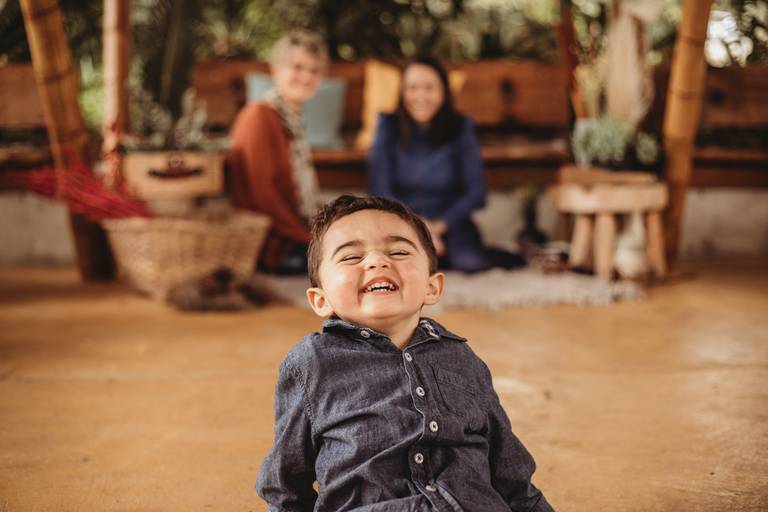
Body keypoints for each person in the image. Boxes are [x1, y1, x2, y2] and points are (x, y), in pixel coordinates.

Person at [256, 194, 554, 512]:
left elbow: (510, 472)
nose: (377, 262)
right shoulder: (313, 363)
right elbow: (285, 484)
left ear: (432, 287)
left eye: (398, 252)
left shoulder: (463, 358)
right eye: (351, 257)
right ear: (320, 300)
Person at [369, 56, 525, 273]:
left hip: (450, 222)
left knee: (470, 262)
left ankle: (518, 254)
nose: (420, 96)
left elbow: (476, 193)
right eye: (412, 88)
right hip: (400, 223)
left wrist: (438, 227)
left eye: (429, 87)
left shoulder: (461, 127)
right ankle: (431, 253)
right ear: (402, 92)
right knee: (396, 266)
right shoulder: (388, 125)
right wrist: (419, 227)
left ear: (444, 91)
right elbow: (379, 189)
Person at [226, 30, 327, 274]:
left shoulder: (291, 121)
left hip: (291, 235)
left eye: (314, 70)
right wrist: (310, 238)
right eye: (298, 67)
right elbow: (263, 199)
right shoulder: (260, 116)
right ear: (276, 69)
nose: (307, 77)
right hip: (274, 245)